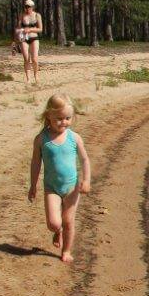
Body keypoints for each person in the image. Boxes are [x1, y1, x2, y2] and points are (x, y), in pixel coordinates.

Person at [28, 94, 91, 263]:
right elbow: (35, 163)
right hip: (51, 188)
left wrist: (86, 180)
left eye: (68, 118)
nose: (64, 122)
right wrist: (33, 186)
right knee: (54, 223)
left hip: (72, 187)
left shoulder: (74, 137)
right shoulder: (41, 139)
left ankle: (66, 250)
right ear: (48, 115)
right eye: (59, 118)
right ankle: (58, 231)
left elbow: (85, 159)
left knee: (68, 220)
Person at [17, 0, 44, 84]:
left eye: (28, 6)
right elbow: (18, 27)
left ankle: (36, 76)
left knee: (35, 59)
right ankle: (28, 78)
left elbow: (40, 29)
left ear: (32, 7)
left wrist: (30, 29)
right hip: (24, 39)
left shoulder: (37, 15)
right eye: (25, 6)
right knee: (26, 58)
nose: (27, 8)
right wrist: (19, 35)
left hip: (34, 38)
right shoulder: (22, 15)